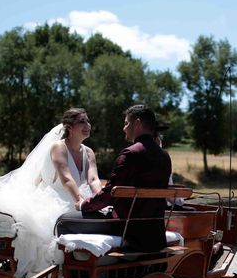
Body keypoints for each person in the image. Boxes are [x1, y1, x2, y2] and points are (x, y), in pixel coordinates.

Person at [0, 108, 102, 278]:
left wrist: (101, 199)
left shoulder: (88, 152)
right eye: (81, 121)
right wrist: (79, 201)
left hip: (78, 197)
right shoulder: (58, 147)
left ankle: (82, 269)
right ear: (69, 127)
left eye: (87, 121)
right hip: (57, 198)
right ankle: (53, 275)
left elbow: (94, 180)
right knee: (48, 231)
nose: (87, 125)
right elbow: (66, 179)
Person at [57, 104, 171, 252]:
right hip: (155, 231)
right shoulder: (165, 157)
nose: (124, 128)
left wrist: (84, 205)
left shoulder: (130, 154)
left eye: (126, 123)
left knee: (63, 221)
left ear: (137, 124)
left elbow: (110, 193)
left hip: (126, 227)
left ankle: (75, 274)